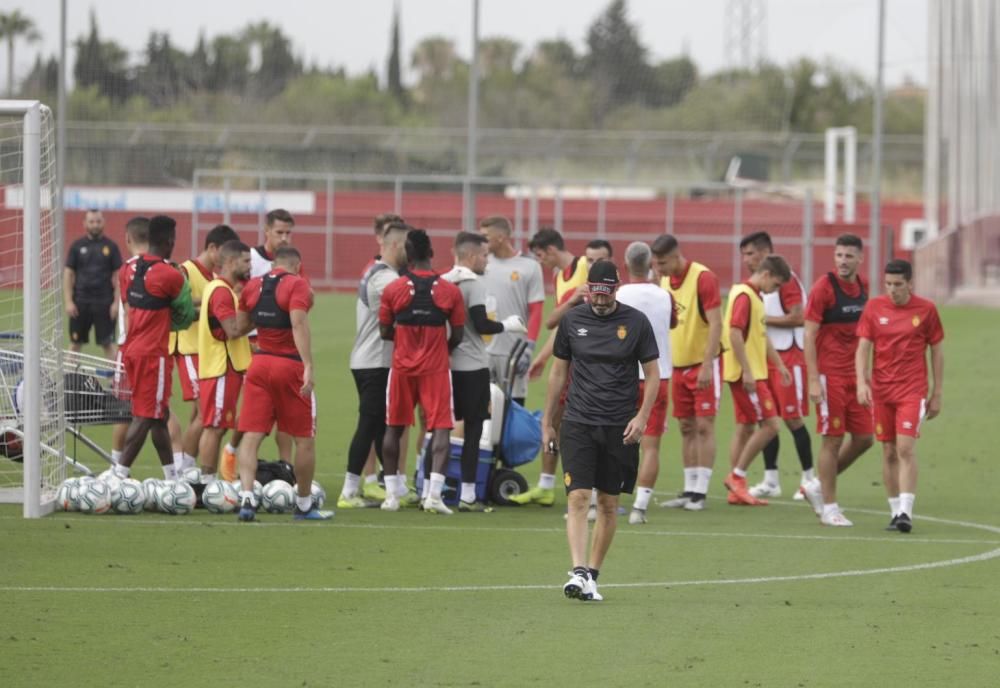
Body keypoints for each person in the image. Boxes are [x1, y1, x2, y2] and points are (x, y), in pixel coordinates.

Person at [546, 260, 659, 602]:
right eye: (594, 293)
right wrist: (547, 422)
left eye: (605, 294)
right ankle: (578, 570)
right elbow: (557, 374)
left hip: (619, 426)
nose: (599, 300)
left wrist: (641, 418)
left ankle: (592, 574)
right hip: (578, 422)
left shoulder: (636, 322)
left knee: (608, 505)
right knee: (579, 497)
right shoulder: (572, 320)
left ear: (616, 289)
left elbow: (652, 375)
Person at [236, 246, 331, 521]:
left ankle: (246, 500)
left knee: (252, 436)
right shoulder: (298, 285)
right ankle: (303, 505)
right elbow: (298, 324)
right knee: (304, 440)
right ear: (297, 265)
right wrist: (308, 365)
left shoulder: (253, 286)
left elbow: (241, 326)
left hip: (260, 364)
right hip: (289, 366)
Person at [379, 229, 465, 513]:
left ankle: (391, 496)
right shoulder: (450, 290)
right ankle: (434, 496)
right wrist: (440, 346)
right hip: (436, 369)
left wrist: (405, 339)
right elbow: (458, 334)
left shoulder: (393, 289)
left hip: (402, 367)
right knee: (441, 428)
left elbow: (384, 330)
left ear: (409, 255)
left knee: (394, 426)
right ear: (431, 253)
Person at [856, 259, 944, 533]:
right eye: (888, 284)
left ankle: (906, 511)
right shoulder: (874, 307)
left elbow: (937, 350)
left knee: (905, 447)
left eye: (898, 285)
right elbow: (863, 348)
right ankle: (895, 512)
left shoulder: (926, 310)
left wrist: (937, 392)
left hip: (911, 389)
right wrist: (862, 382)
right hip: (881, 391)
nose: (892, 290)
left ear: (910, 284)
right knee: (888, 450)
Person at [443, 232, 527, 511]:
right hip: (473, 365)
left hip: (444, 366)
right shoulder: (473, 283)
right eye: (482, 255)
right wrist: (507, 325)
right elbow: (481, 324)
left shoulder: (444, 280)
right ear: (469, 256)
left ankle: (433, 488)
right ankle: (468, 493)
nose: (486, 261)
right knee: (474, 426)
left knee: (441, 425)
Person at [510, 227, 590, 507]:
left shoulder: (585, 267)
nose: (540, 261)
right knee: (553, 420)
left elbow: (565, 319)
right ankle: (546, 485)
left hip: (584, 362)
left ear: (553, 250)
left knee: (577, 424)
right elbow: (560, 325)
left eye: (541, 255)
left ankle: (584, 486)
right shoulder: (559, 278)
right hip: (564, 360)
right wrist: (543, 358)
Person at [109, 215, 193, 481]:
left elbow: (128, 306)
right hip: (153, 356)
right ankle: (119, 474)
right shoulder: (172, 275)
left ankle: (172, 477)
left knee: (159, 414)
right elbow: (185, 316)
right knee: (145, 416)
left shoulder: (126, 270)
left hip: (129, 350)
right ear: (170, 241)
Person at [801, 234, 874, 527]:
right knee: (832, 441)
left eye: (848, 256)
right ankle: (830, 508)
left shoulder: (863, 286)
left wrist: (865, 374)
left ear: (860, 259)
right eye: (839, 255)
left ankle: (817, 485)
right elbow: (808, 335)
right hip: (829, 377)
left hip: (854, 377)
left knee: (865, 438)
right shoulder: (823, 288)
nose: (843, 261)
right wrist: (813, 380)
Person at [220, 208, 298, 478]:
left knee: (283, 411)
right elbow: (239, 296)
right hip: (252, 344)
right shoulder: (250, 259)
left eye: (288, 233)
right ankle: (231, 450)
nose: (284, 238)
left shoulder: (290, 262)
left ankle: (286, 468)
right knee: (254, 413)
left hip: (282, 348)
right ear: (266, 232)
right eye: (279, 232)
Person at [737, 232, 816, 500]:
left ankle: (809, 479)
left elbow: (798, 317)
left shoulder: (787, 280)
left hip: (789, 356)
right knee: (767, 420)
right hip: (766, 359)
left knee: (792, 418)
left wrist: (760, 319)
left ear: (765, 254)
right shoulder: (752, 287)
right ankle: (771, 479)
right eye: (743, 254)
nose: (746, 259)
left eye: (750, 253)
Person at [339, 221, 411, 508]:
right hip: (373, 361)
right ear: (395, 246)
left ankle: (395, 487)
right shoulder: (383, 278)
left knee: (383, 426)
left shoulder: (383, 273)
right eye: (407, 245)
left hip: (375, 360)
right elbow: (413, 294)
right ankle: (348, 491)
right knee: (369, 424)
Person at [650, 234, 723, 511]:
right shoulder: (664, 281)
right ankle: (689, 488)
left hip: (702, 364)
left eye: (662, 263)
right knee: (685, 427)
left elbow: (716, 324)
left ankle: (701, 492)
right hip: (676, 366)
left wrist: (706, 364)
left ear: (677, 255)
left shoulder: (704, 278)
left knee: (704, 426)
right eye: (655, 264)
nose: (659, 269)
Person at [721, 255, 793, 506]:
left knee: (746, 427)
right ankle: (737, 477)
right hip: (747, 376)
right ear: (766, 275)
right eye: (776, 285)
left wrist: (780, 364)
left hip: (749, 372)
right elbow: (734, 334)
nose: (775, 290)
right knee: (772, 425)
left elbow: (760, 337)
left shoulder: (754, 296)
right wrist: (748, 371)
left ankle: (735, 490)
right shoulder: (745, 296)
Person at [171, 224, 241, 476]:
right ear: (212, 248)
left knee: (201, 415)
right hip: (189, 349)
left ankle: (190, 470)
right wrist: (212, 309)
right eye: (224, 254)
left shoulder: (214, 278)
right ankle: (186, 471)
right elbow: (178, 309)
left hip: (209, 354)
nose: (227, 261)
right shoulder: (186, 270)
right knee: (206, 415)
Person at [615, 242, 674, 525]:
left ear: (626, 264)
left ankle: (602, 501)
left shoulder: (620, 293)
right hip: (658, 376)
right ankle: (639, 508)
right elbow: (673, 323)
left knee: (612, 440)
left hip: (622, 376)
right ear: (651, 264)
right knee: (651, 446)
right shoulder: (665, 295)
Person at [196, 240, 253, 482]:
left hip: (224, 367)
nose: (250, 266)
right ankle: (207, 484)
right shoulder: (221, 291)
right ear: (230, 262)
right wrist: (260, 316)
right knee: (215, 427)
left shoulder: (222, 288)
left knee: (216, 425)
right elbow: (232, 330)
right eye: (246, 261)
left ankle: (207, 482)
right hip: (220, 367)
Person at [479, 216, 544, 409]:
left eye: (486, 237)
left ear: (500, 237)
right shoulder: (480, 264)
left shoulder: (529, 266)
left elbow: (536, 310)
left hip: (514, 352)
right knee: (482, 411)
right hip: (483, 351)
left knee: (513, 410)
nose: (482, 242)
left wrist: (528, 349)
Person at [63, 209, 123, 357]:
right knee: (75, 343)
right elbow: (68, 274)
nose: (95, 225)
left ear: (103, 223)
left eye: (98, 221)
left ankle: (116, 379)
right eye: (91, 221)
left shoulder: (112, 247)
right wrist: (69, 301)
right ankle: (70, 377)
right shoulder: (77, 246)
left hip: (104, 303)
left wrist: (116, 303)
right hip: (80, 303)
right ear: (85, 224)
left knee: (107, 343)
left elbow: (119, 276)